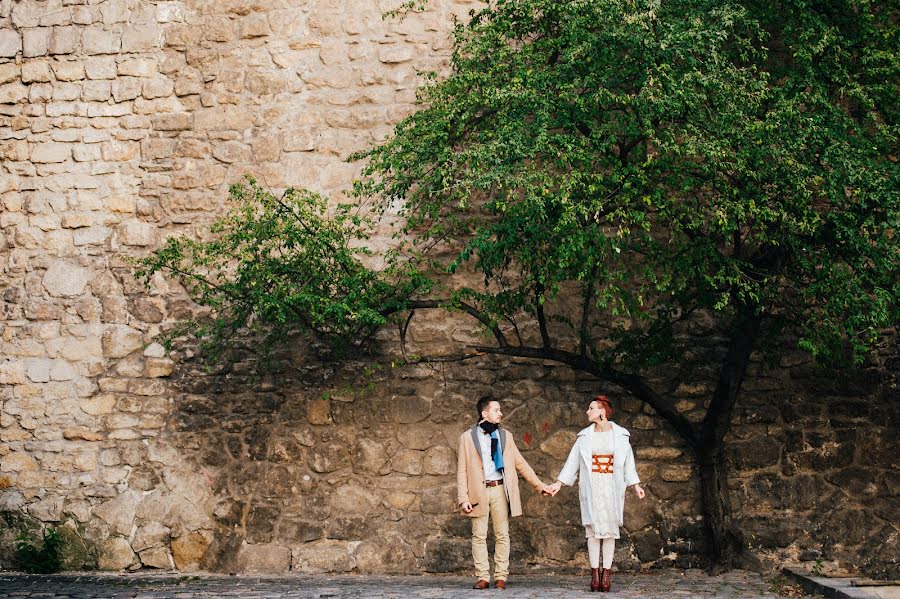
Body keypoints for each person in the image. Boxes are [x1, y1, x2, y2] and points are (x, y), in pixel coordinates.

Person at [545, 395, 645, 592]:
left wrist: (635, 485)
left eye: (591, 408)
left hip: (611, 484)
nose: (587, 412)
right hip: (592, 485)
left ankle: (606, 574)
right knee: (592, 529)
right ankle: (594, 574)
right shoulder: (584, 437)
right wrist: (558, 483)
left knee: (609, 530)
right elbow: (572, 462)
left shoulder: (621, 436)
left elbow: (628, 463)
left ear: (602, 411)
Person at [457, 397, 552, 590]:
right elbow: (461, 470)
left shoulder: (505, 436)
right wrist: (463, 498)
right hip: (478, 491)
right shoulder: (467, 438)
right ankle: (483, 577)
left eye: (500, 410)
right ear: (484, 414)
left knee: (502, 535)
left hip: (500, 489)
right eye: (496, 410)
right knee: (479, 535)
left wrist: (540, 485)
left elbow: (521, 463)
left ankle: (501, 576)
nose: (500, 413)